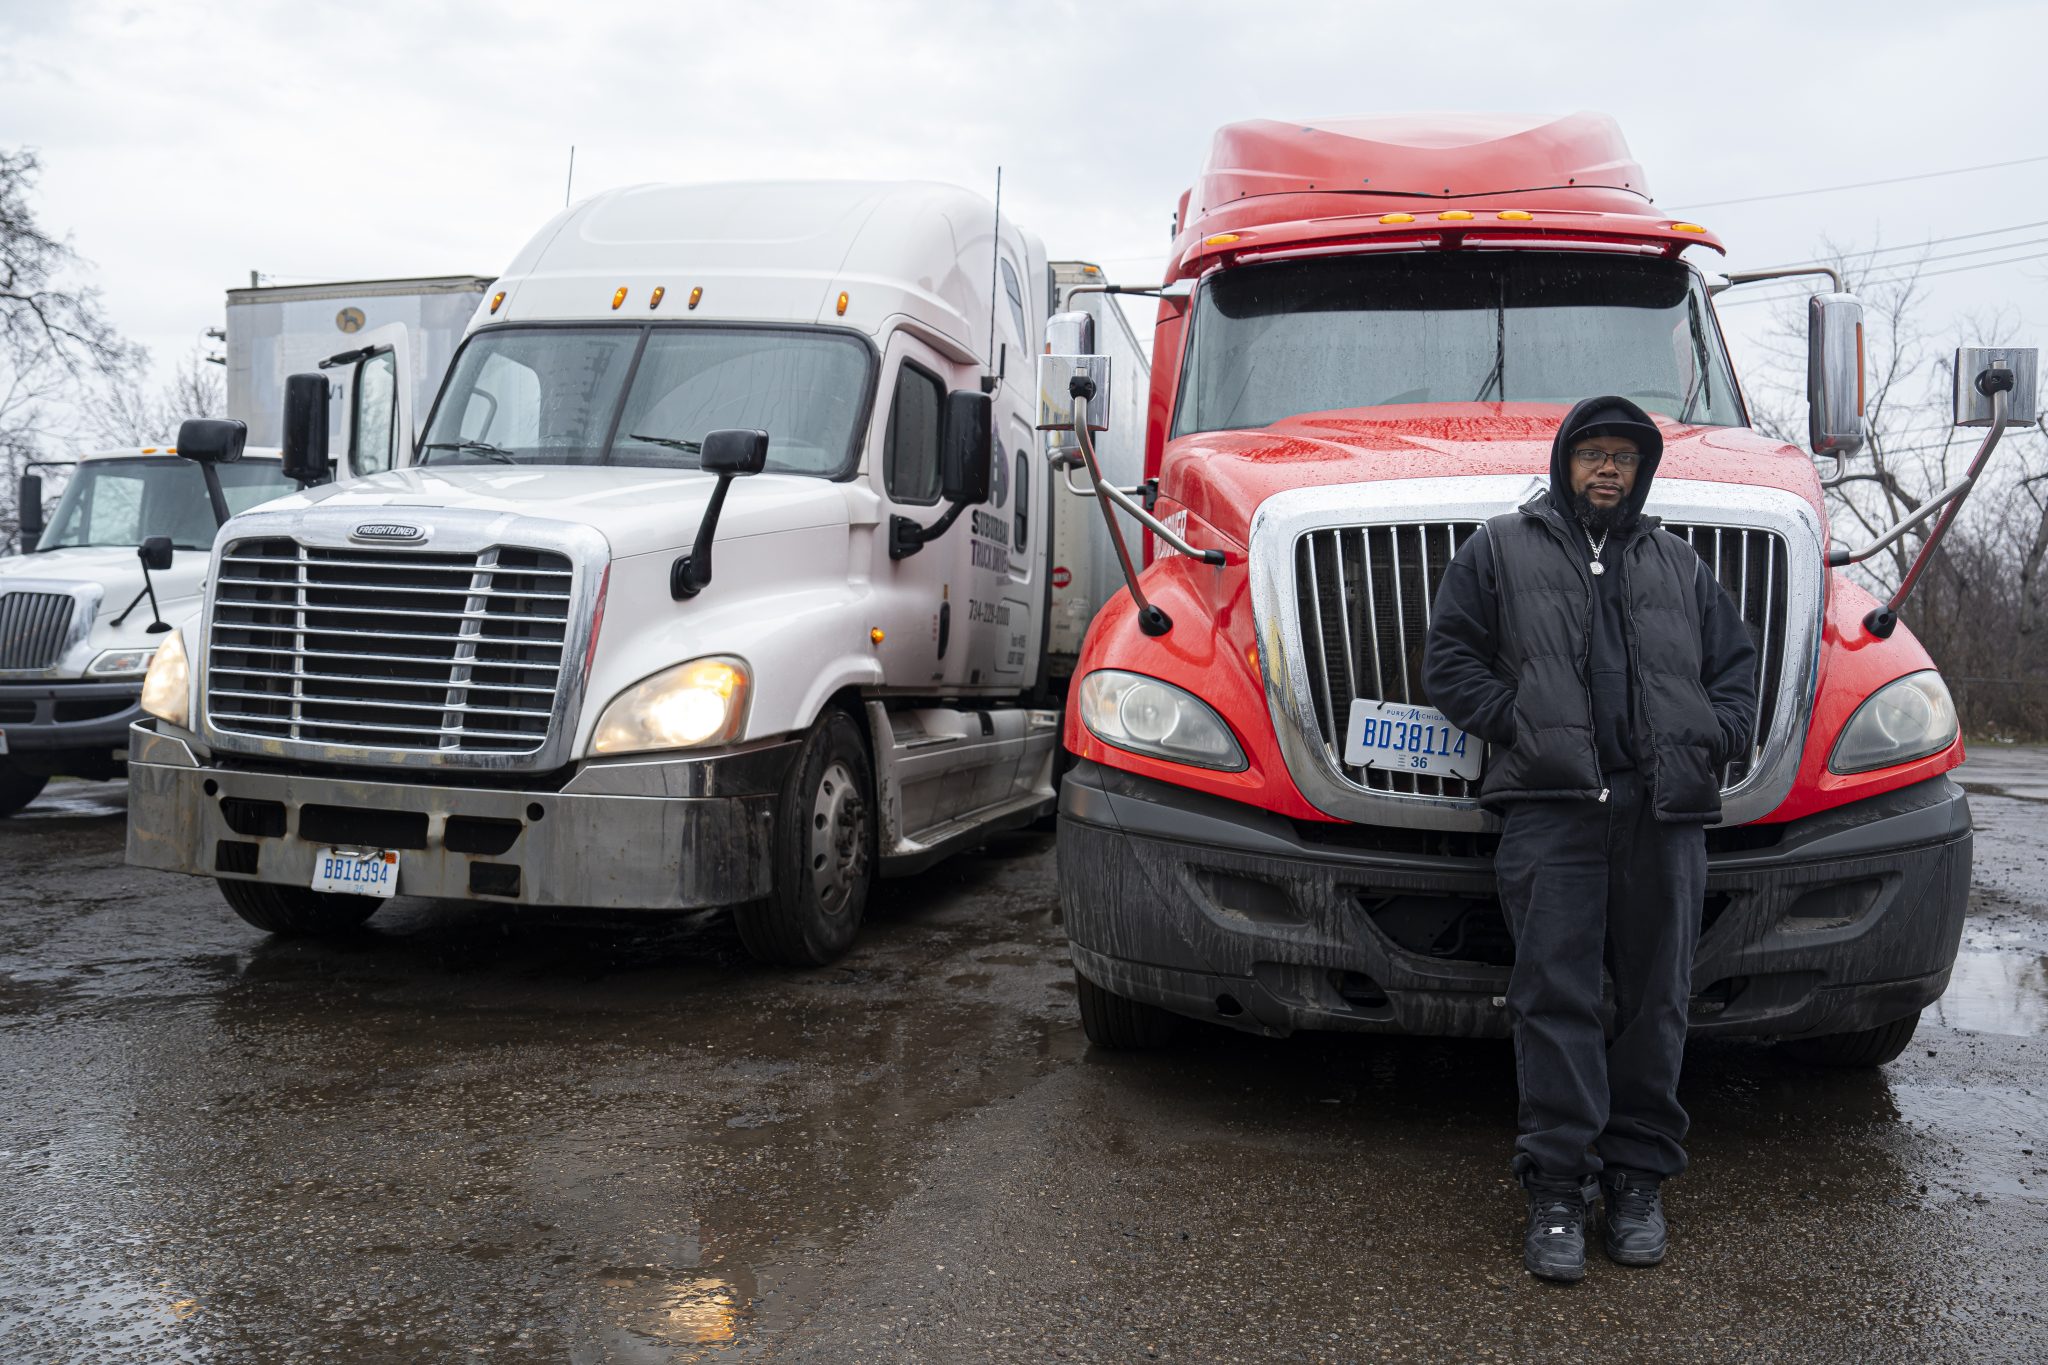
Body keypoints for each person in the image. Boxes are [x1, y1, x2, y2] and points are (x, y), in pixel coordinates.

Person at [1421, 395, 1758, 1283]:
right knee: (1554, 996)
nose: (1609, 469)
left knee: (1658, 998)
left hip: (1665, 812)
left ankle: (1639, 1180)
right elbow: (1448, 658)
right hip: (1552, 809)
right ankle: (1560, 1191)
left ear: (1642, 471)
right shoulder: (1499, 548)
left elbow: (1737, 671)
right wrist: (1520, 723)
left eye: (1624, 457)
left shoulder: (1681, 564)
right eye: (1593, 454)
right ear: (1566, 460)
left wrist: (1712, 734)